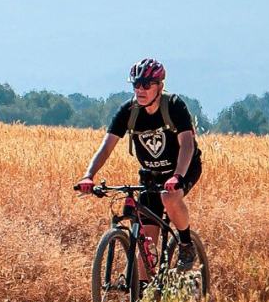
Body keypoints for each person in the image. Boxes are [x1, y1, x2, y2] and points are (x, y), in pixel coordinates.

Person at [75, 58, 202, 270]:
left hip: (184, 167)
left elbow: (187, 145)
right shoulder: (129, 111)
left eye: (146, 85)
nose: (140, 90)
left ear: (160, 86)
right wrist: (89, 175)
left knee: (169, 197)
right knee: (146, 244)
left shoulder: (173, 106)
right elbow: (106, 147)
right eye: (136, 84)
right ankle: (143, 295)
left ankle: (186, 243)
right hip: (151, 175)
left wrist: (177, 176)